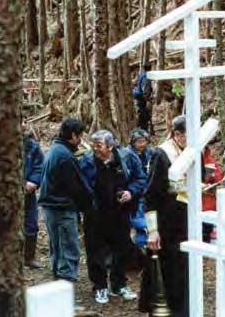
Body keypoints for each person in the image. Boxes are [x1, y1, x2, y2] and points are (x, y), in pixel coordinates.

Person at [79, 130, 147, 304]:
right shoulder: (86, 161)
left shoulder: (127, 159)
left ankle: (119, 285)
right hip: (95, 215)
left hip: (120, 213)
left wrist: (130, 192)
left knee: (121, 249)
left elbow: (140, 179)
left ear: (111, 146)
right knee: (95, 252)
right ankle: (100, 287)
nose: (95, 149)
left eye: (99, 145)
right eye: (93, 144)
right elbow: (80, 186)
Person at [139, 115, 189, 316]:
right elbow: (150, 195)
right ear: (177, 135)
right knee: (168, 273)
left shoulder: (192, 152)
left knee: (184, 273)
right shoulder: (162, 154)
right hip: (166, 225)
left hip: (186, 222)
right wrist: (153, 230)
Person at [39, 118, 94, 282]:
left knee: (57, 245)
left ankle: (60, 275)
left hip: (51, 206)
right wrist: (88, 205)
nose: (81, 140)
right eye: (80, 136)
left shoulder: (55, 150)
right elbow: (76, 187)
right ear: (73, 135)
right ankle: (66, 279)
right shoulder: (65, 156)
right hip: (61, 206)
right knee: (67, 245)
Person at [126, 128, 153, 248]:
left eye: (144, 141)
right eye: (139, 142)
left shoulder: (149, 153)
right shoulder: (128, 155)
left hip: (147, 191)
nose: (142, 144)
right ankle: (140, 246)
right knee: (138, 219)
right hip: (135, 193)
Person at [23, 130, 44, 269]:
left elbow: (40, 166)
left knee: (31, 225)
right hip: (4, 195)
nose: (23, 125)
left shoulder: (31, 145)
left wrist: (34, 182)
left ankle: (29, 258)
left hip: (28, 195)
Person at [133, 62, 153, 133]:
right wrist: (147, 100)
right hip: (141, 99)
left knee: (143, 116)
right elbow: (145, 91)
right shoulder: (146, 77)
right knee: (143, 117)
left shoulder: (141, 74)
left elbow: (136, 84)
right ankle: (143, 133)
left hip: (139, 98)